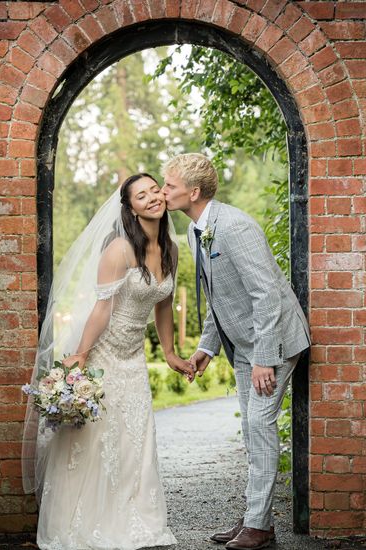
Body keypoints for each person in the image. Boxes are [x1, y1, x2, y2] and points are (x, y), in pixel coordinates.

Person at [22, 173, 190, 550]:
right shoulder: (119, 249)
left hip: (134, 357)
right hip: (106, 353)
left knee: (137, 438)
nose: (151, 199)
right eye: (141, 195)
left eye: (154, 191)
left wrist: (169, 352)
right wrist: (81, 354)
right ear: (130, 207)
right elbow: (101, 309)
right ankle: (83, 523)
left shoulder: (170, 250)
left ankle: (136, 519)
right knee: (99, 440)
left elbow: (163, 304)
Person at [161, 153, 310, 550]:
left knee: (260, 427)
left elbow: (266, 297)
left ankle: (259, 528)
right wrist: (206, 349)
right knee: (251, 431)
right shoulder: (198, 229)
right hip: (245, 344)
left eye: (169, 185)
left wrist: (265, 357)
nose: (163, 191)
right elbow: (219, 297)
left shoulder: (236, 227)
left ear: (193, 192)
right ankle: (254, 518)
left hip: (273, 342)